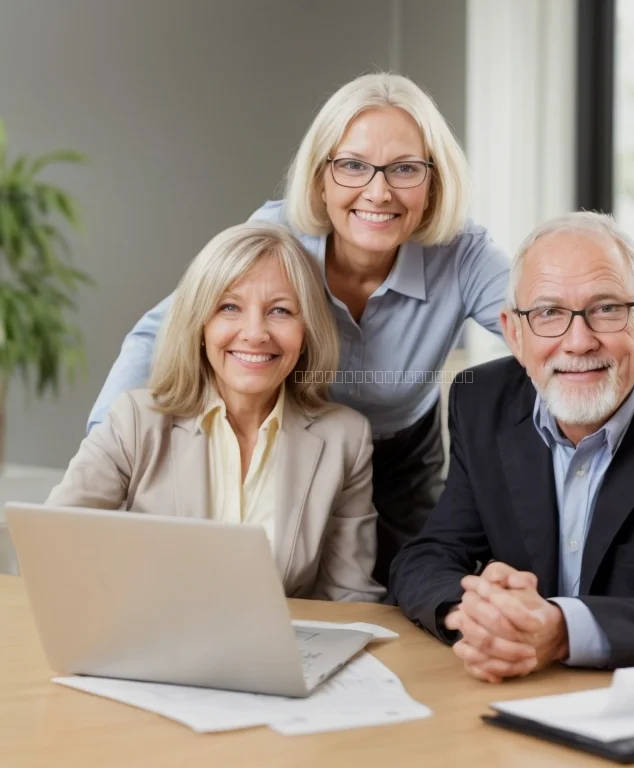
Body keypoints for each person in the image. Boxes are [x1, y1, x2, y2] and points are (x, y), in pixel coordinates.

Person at [86, 72, 634, 588]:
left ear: (434, 180)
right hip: (300, 439)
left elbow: (589, 311)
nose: (377, 192)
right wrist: (106, 444)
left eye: (405, 168)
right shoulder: (274, 239)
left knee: (393, 600)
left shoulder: (462, 257)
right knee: (275, 587)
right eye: (352, 165)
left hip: (402, 456)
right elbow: (160, 332)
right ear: (322, 178)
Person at [389, 212, 634, 681]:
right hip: (516, 695)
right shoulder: (480, 402)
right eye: (548, 312)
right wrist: (479, 615)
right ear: (514, 333)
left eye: (606, 308)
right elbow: (427, 557)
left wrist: (564, 630)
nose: (579, 341)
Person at [48, 223, 384, 603]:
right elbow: (53, 548)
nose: (255, 333)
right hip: (151, 647)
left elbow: (351, 597)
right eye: (229, 307)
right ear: (200, 324)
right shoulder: (135, 419)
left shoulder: (345, 438)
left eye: (280, 310)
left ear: (306, 330)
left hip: (280, 656)